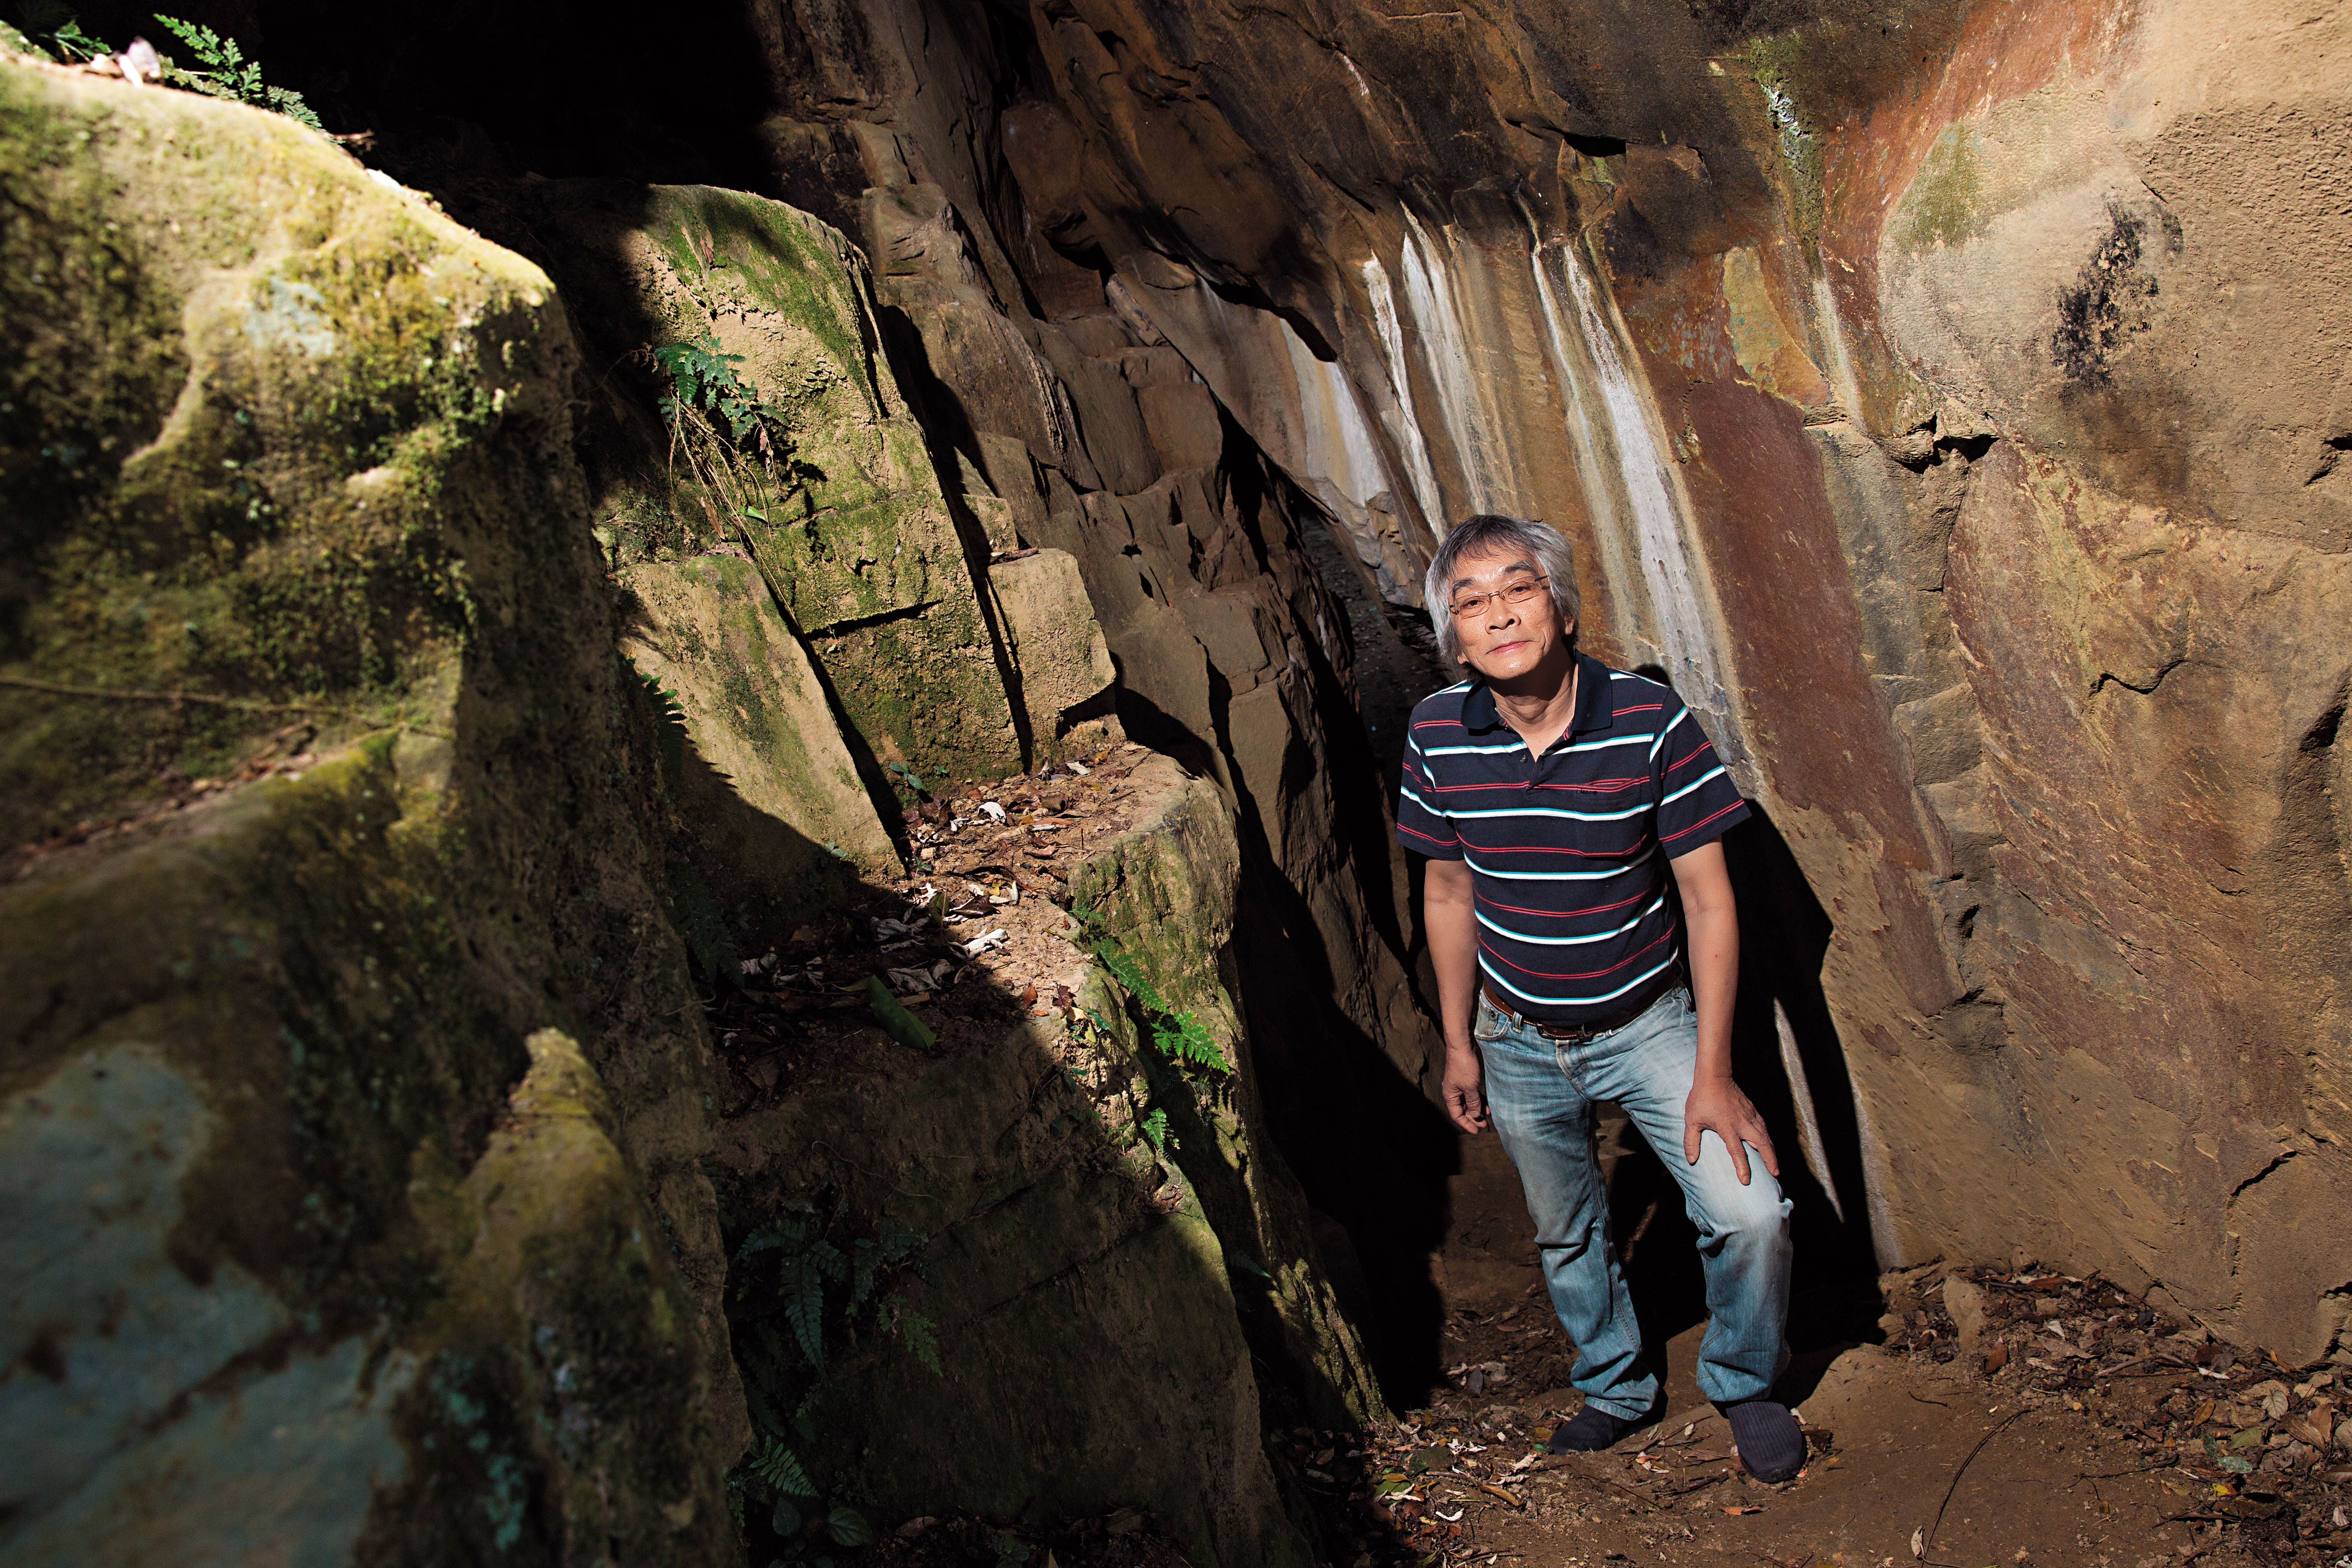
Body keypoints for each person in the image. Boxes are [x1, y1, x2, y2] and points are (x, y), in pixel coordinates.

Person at [1395, 514, 1804, 1482]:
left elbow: (1709, 897)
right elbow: (1447, 891)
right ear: (1456, 637)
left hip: (1648, 1022)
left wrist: (1714, 1069)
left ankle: (1745, 1379)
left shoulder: (1649, 721)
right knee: (1568, 1226)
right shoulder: (1437, 734)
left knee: (1752, 1214)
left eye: (1519, 587)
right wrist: (1459, 1041)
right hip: (1517, 1032)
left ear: (1561, 605)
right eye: (1472, 602)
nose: (1500, 614)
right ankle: (1615, 1385)